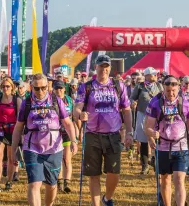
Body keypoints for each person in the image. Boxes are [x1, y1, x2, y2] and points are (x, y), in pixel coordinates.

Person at [74, 54, 133, 206]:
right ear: (96, 67)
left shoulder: (118, 86)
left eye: (106, 66)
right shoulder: (86, 86)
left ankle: (107, 198)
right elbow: (77, 109)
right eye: (101, 66)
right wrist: (80, 114)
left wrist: (129, 132)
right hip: (92, 134)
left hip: (113, 135)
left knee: (114, 172)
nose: (104, 69)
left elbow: (126, 110)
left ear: (110, 68)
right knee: (94, 174)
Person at [12, 73, 78, 206]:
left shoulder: (56, 101)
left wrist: (74, 141)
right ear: (31, 87)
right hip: (32, 148)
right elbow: (18, 127)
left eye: (43, 88)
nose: (40, 91)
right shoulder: (27, 103)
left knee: (51, 184)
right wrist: (14, 149)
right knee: (34, 183)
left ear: (48, 86)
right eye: (36, 88)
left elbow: (68, 123)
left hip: (54, 149)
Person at [145, 75, 189, 206]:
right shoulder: (155, 103)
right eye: (168, 91)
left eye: (173, 90)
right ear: (163, 89)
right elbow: (147, 127)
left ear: (178, 88)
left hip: (181, 147)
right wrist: (152, 134)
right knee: (165, 180)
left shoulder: (185, 103)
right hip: (163, 147)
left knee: (179, 179)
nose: (171, 93)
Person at [0, 78, 22, 192]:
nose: (5, 88)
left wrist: (21, 133)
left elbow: (21, 118)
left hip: (13, 130)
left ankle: (9, 181)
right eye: (3, 86)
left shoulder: (17, 100)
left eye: (7, 86)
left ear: (12, 87)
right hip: (0, 128)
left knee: (11, 157)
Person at [130, 67, 163, 175]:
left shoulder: (159, 85)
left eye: (155, 74)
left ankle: (155, 161)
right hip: (142, 114)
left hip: (156, 116)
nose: (155, 75)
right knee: (143, 140)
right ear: (147, 76)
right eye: (153, 74)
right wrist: (133, 103)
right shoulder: (140, 86)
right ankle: (145, 166)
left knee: (157, 138)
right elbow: (132, 98)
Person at [54, 80, 78, 194]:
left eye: (61, 88)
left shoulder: (69, 100)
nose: (59, 91)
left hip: (67, 133)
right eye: (56, 89)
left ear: (64, 89)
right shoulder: (51, 100)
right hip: (56, 134)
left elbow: (73, 118)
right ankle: (59, 182)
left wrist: (77, 133)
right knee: (58, 160)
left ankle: (67, 183)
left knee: (67, 159)